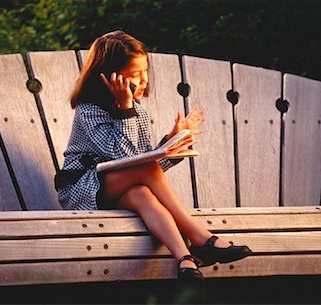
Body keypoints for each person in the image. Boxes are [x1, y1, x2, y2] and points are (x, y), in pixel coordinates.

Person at [56, 30, 252, 281]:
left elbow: (143, 164)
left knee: (143, 194)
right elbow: (123, 157)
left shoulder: (137, 110)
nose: (144, 79)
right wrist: (125, 109)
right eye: (135, 74)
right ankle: (200, 237)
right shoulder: (89, 109)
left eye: (145, 71)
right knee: (142, 175)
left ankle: (185, 260)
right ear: (109, 77)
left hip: (118, 187)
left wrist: (172, 142)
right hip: (82, 188)